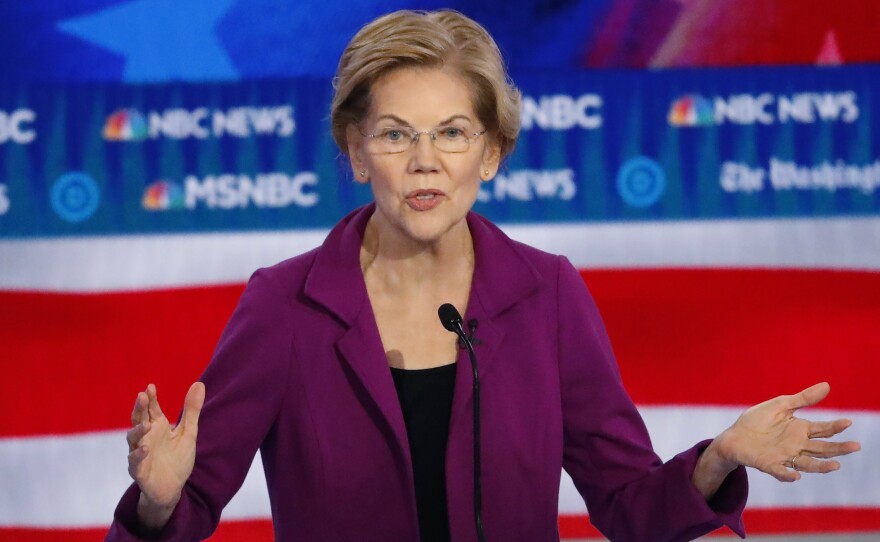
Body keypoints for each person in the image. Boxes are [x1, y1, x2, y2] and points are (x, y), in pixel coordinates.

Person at [106, 9, 860, 542]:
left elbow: (629, 504)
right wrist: (159, 500)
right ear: (357, 150)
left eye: (453, 133)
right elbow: (191, 503)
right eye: (396, 135)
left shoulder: (548, 295)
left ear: (492, 153)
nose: (426, 160)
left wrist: (719, 455)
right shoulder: (285, 305)